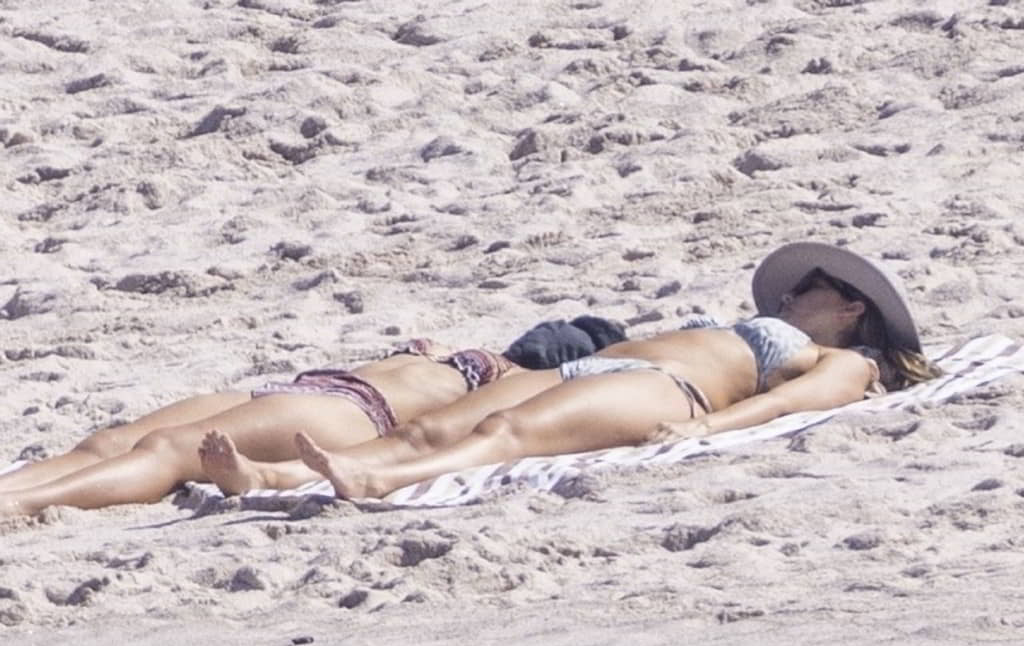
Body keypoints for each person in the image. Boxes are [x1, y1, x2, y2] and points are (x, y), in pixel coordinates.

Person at [277, 242, 942, 500]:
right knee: (426, 431)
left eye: (810, 285)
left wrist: (706, 428)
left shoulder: (848, 362)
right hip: (595, 366)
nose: (791, 293)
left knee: (506, 430)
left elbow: (786, 405)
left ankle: (379, 479)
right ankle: (279, 475)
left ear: (852, 307)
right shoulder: (782, 329)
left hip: (666, 391)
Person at [0, 318, 624, 520]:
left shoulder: (524, 381)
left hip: (351, 412)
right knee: (114, 438)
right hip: (308, 387)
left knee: (171, 449)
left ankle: (6, 506)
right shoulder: (462, 350)